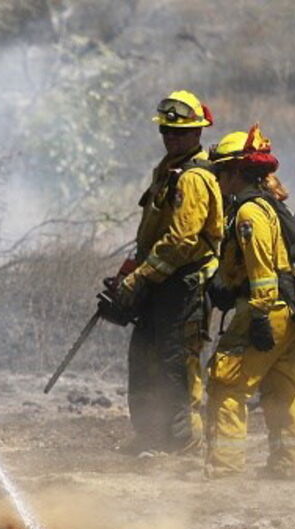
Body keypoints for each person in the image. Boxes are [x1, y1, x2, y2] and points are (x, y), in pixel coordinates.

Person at [113, 90, 224, 454]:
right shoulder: (168, 171)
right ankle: (149, 436)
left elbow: (181, 241)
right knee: (143, 356)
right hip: (160, 282)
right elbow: (153, 233)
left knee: (173, 361)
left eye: (180, 132)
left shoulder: (193, 178)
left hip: (182, 283)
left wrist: (141, 276)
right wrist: (130, 271)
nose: (171, 138)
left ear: (197, 133)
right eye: (166, 131)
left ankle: (179, 443)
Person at [204, 125, 295, 479]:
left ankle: (225, 470)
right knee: (282, 386)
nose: (217, 179)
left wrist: (258, 315)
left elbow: (262, 270)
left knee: (227, 383)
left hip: (266, 309)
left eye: (220, 172)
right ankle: (289, 465)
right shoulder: (268, 206)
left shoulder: (249, 214)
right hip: (287, 311)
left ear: (236, 172)